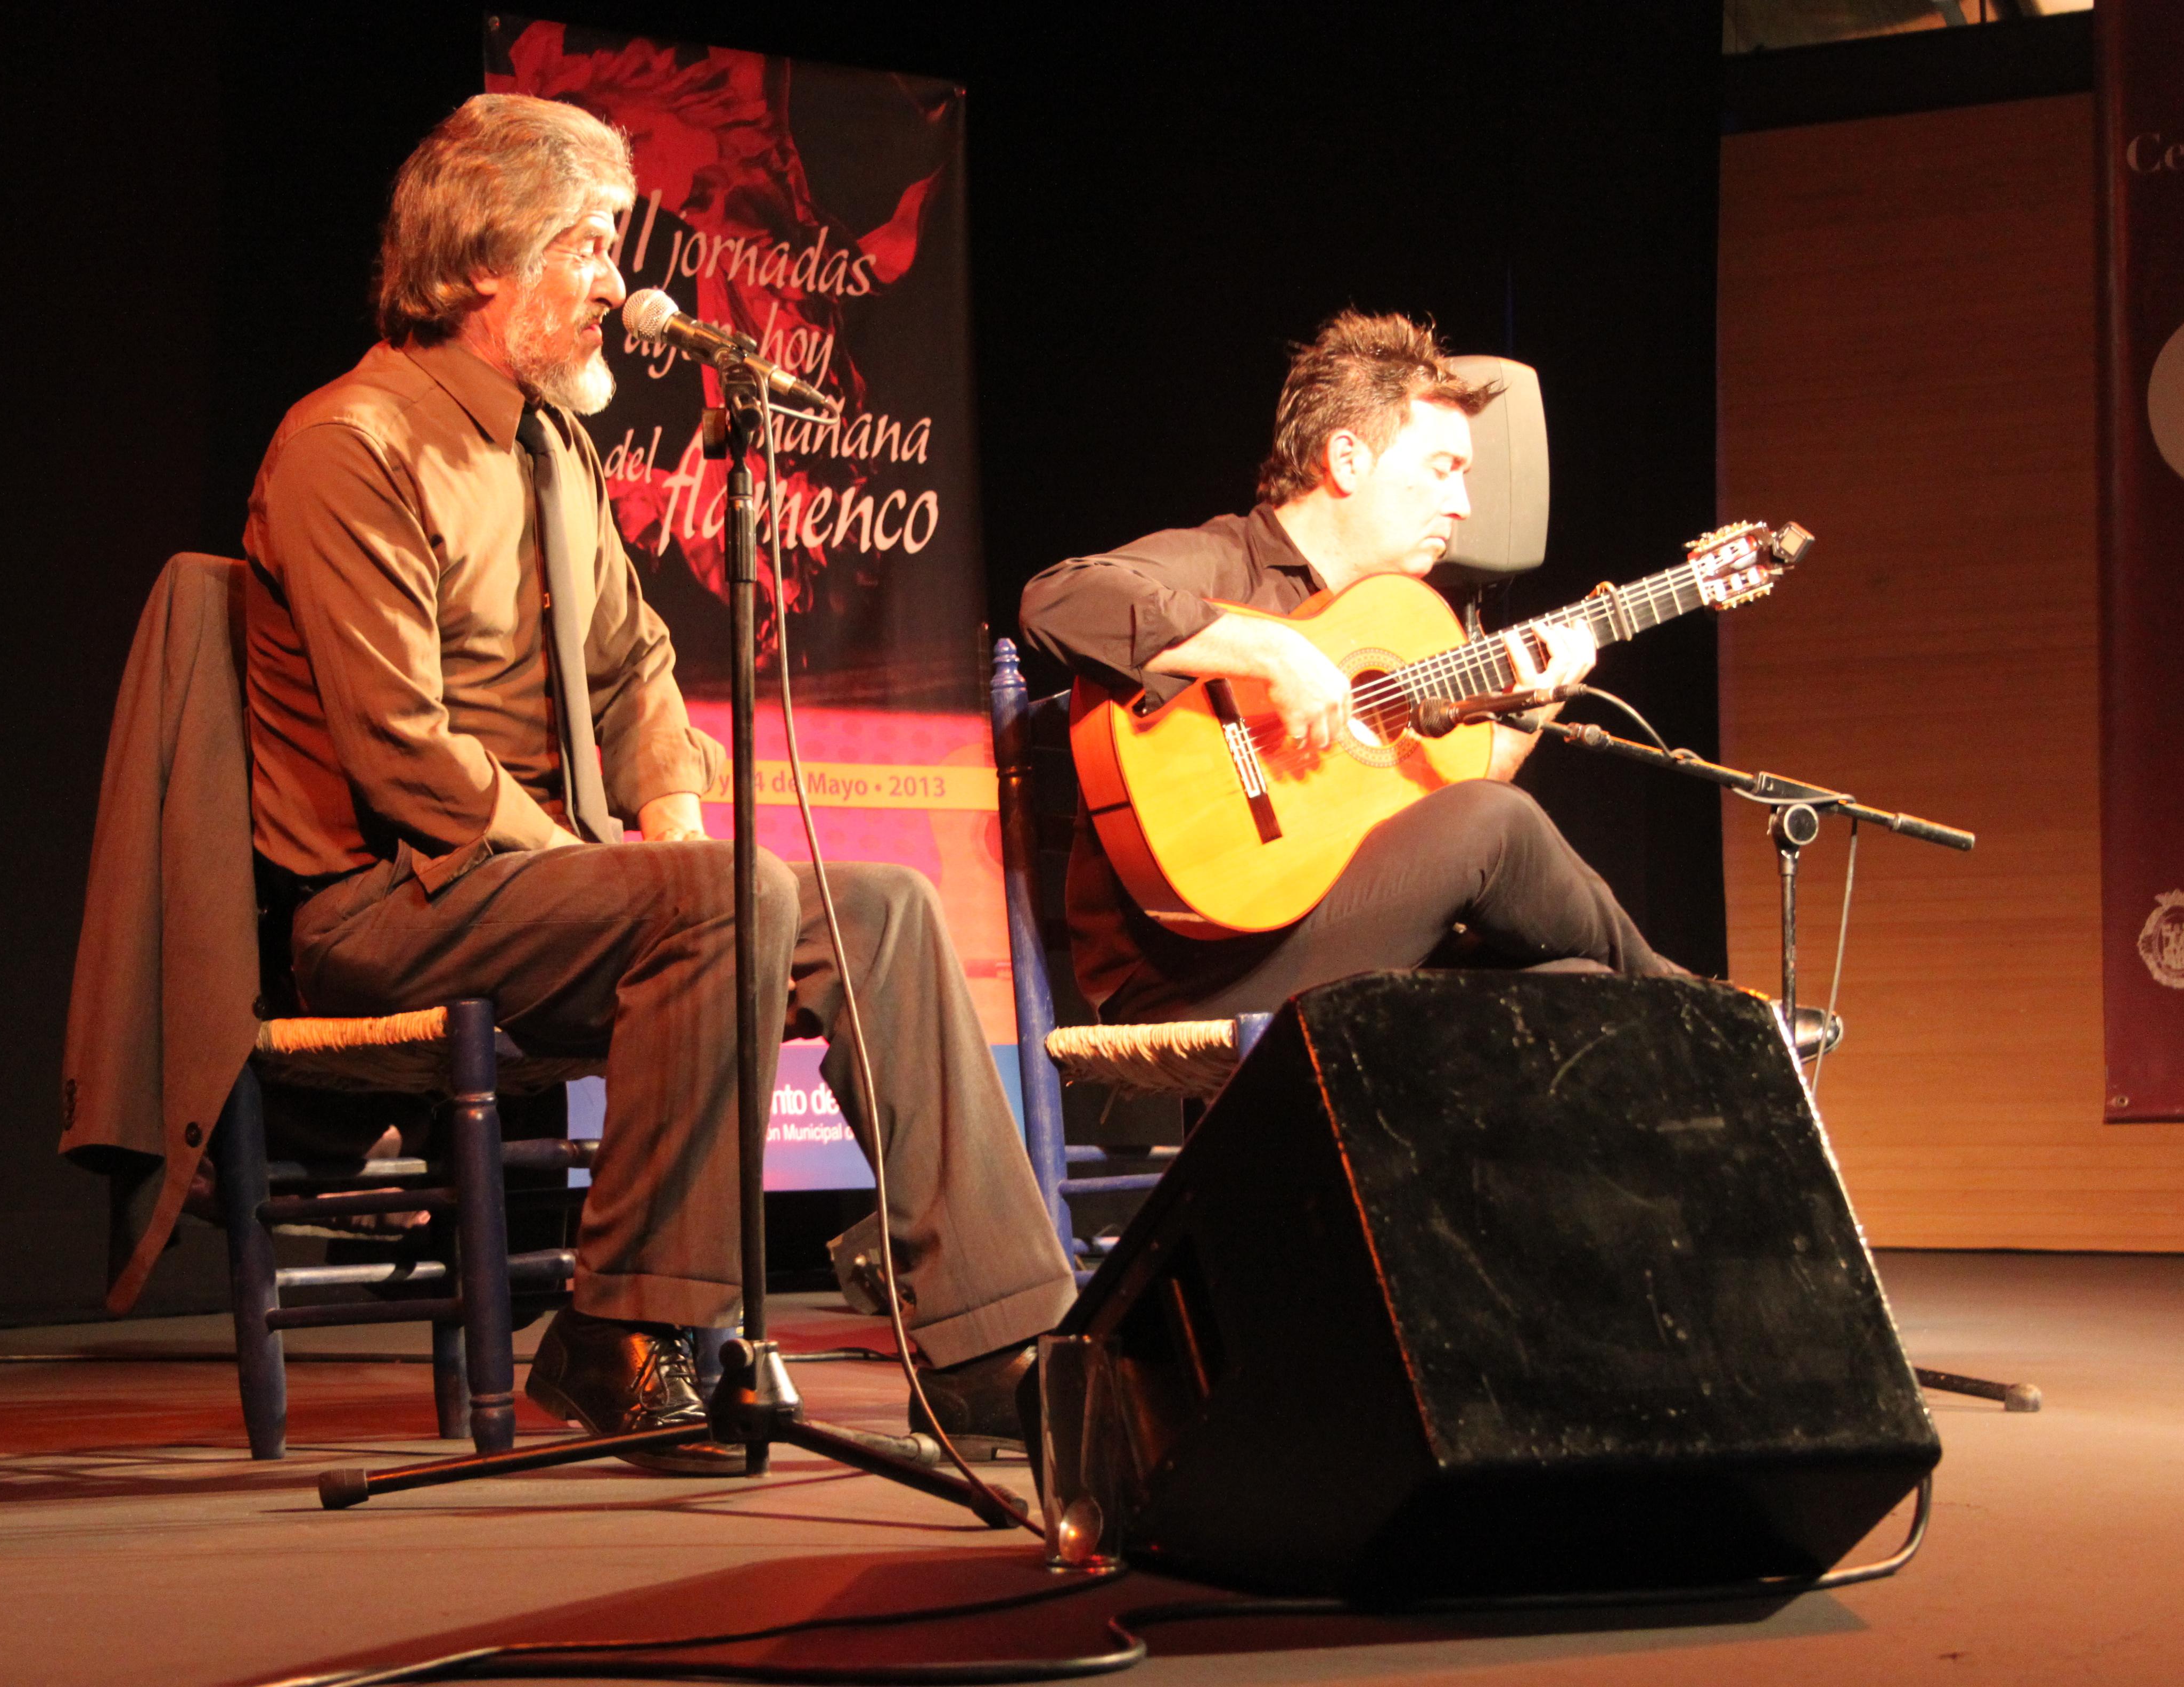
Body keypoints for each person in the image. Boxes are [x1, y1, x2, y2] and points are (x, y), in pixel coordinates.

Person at [242, 94, 1072, 1473]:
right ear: (484, 262)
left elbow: (636, 667)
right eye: (590, 244)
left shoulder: (553, 449)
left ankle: (994, 1341)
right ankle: (624, 1325)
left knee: (883, 910)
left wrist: (670, 821)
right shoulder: (352, 443)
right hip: (391, 905)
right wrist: (626, 872)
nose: (621, 285)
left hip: (543, 887)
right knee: (721, 898)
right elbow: (402, 752)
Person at [1017, 310, 1682, 1025]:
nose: (1461, 506)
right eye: (1442, 471)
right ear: (1346, 461)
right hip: (1189, 969)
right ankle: (1701, 1012)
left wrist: (1524, 709)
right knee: (1499, 822)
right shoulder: (1223, 560)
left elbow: (1430, 829)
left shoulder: (1405, 627)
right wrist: (1273, 652)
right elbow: (1054, 599)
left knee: (1578, 981)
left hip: (1328, 930)